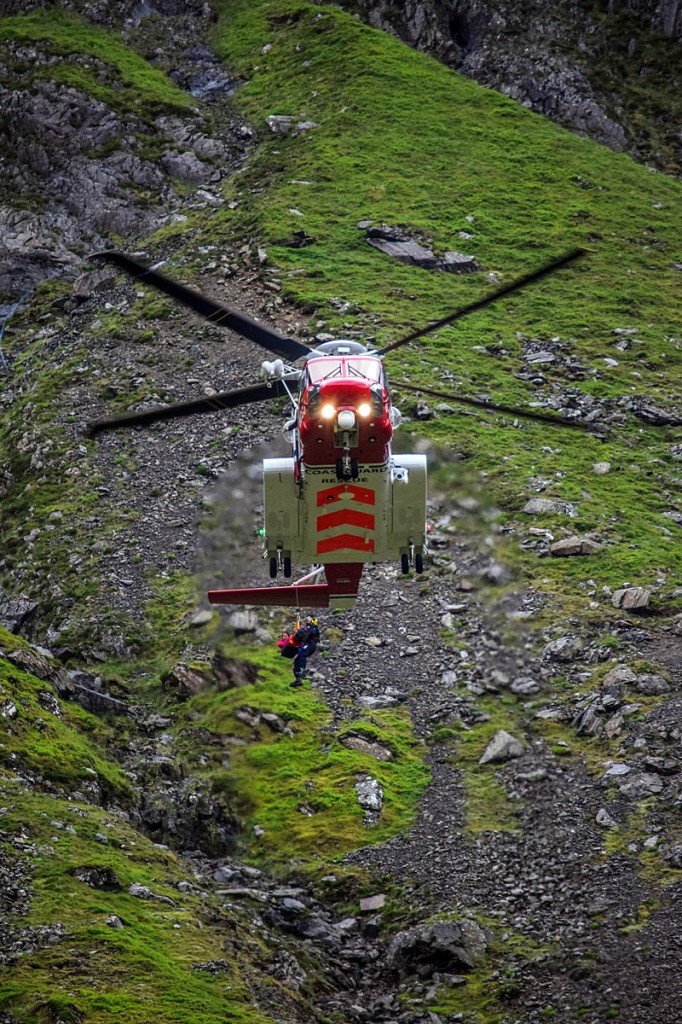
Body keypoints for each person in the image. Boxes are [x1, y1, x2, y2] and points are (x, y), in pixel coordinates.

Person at [278, 617, 320, 686]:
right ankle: (298, 679)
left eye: (309, 618)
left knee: (302, 655)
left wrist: (300, 630)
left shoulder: (313, 628)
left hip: (311, 645)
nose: (307, 619)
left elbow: (307, 633)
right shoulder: (308, 628)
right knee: (297, 661)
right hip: (306, 645)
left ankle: (302, 670)